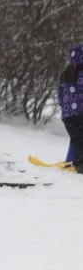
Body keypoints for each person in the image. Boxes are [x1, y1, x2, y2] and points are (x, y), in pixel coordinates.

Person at [57, 43, 83, 174]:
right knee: (79, 138)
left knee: (76, 137)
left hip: (68, 115)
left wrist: (65, 109)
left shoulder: (65, 74)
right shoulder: (80, 74)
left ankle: (71, 162)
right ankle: (79, 164)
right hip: (79, 113)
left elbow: (60, 95)